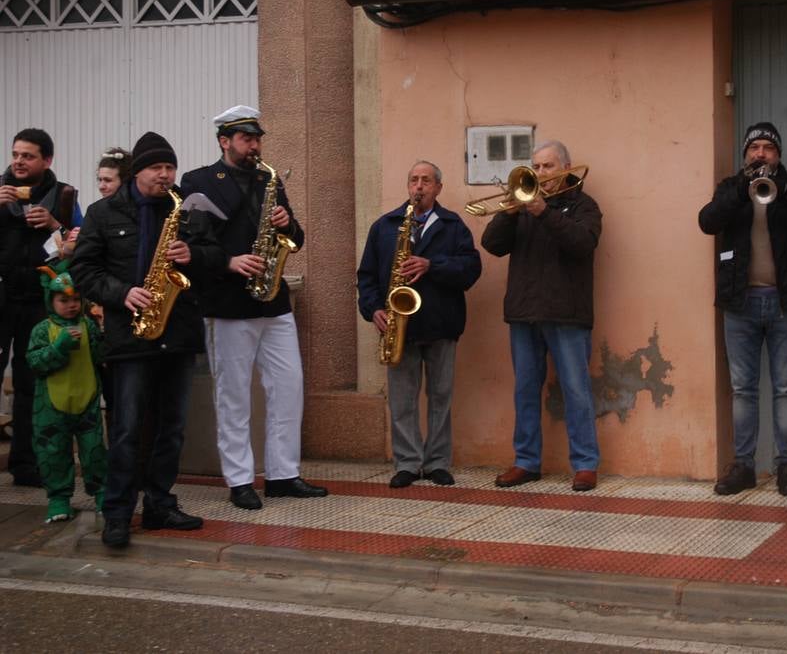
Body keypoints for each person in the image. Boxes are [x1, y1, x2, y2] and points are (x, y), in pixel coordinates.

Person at [71, 131, 218, 548]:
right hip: (130, 335)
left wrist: (196, 255)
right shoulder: (102, 214)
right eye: (157, 168)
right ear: (138, 171)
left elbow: (213, 259)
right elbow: (84, 272)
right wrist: (123, 293)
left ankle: (159, 504)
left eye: (170, 167)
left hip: (179, 332)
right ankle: (117, 513)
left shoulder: (186, 212)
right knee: (127, 428)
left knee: (171, 428)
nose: (166, 175)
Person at [180, 105, 328, 510]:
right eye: (246, 138)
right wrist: (229, 261)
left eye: (257, 138)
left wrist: (286, 224)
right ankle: (240, 479)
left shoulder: (270, 180)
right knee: (233, 396)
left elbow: (296, 239)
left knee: (287, 388)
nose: (254, 145)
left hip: (273, 301)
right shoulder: (199, 182)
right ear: (224, 141)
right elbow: (190, 247)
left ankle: (282, 474)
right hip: (228, 304)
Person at [698, 122, 787, 497]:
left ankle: (786, 466)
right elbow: (707, 222)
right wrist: (742, 189)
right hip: (740, 304)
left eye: (768, 148)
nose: (760, 154)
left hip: (785, 303)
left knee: (785, 388)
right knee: (743, 390)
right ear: (745, 154)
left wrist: (783, 188)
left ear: (779, 155)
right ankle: (744, 466)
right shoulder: (730, 187)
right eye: (754, 147)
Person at [481, 141, 601, 492]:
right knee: (525, 390)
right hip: (524, 311)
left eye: (547, 166)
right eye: (536, 166)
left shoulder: (584, 205)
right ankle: (526, 462)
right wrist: (509, 213)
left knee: (576, 391)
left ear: (565, 167)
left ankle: (585, 464)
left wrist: (543, 212)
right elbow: (492, 245)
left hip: (567, 313)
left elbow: (582, 243)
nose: (540, 173)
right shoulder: (521, 205)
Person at [358, 161, 482, 488]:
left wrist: (431, 265)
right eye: (414, 180)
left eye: (426, 180)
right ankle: (408, 462)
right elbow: (366, 277)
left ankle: (438, 461)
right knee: (402, 400)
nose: (419, 186)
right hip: (399, 327)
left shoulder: (454, 226)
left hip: (442, 324)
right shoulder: (385, 226)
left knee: (441, 396)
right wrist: (373, 311)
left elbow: (470, 270)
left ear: (438, 187)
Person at [1, 128, 79, 487]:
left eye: (27, 156)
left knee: (32, 383)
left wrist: (55, 225)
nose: (18, 161)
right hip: (2, 296)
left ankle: (26, 463)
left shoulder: (63, 196)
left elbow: (82, 245)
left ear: (46, 160)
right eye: (16, 154)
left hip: (38, 300)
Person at [26, 261, 106, 523]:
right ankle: (59, 499)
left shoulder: (88, 325)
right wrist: (58, 348)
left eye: (75, 299)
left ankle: (102, 494)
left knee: (94, 451)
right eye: (63, 300)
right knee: (54, 452)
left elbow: (99, 356)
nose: (71, 305)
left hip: (88, 400)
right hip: (51, 406)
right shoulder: (41, 330)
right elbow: (35, 363)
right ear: (51, 300)